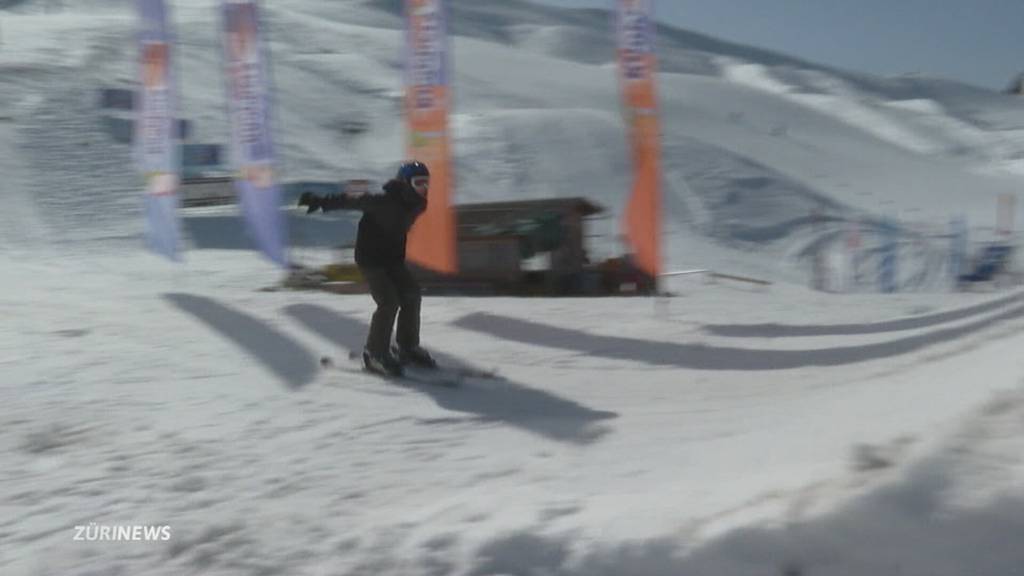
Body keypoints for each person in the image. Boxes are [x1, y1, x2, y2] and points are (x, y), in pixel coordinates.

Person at [298, 161, 436, 377]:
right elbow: (353, 201)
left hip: (393, 259)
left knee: (411, 294)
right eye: (419, 183)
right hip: (371, 259)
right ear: (405, 183)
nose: (424, 188)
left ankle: (407, 347)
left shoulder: (419, 203)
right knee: (389, 301)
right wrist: (321, 201)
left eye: (427, 183)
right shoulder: (383, 201)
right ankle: (374, 353)